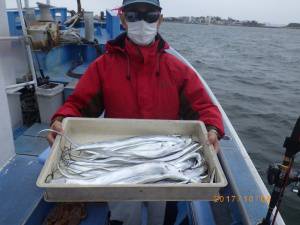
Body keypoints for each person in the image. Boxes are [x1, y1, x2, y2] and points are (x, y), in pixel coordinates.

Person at [47, 0, 224, 224]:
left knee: (161, 216)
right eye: (133, 15)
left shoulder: (179, 70)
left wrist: (212, 127)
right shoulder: (103, 66)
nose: (142, 22)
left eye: (150, 15)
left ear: (160, 20)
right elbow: (79, 104)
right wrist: (61, 119)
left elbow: (203, 107)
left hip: (166, 162)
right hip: (119, 162)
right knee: (122, 215)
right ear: (122, 19)